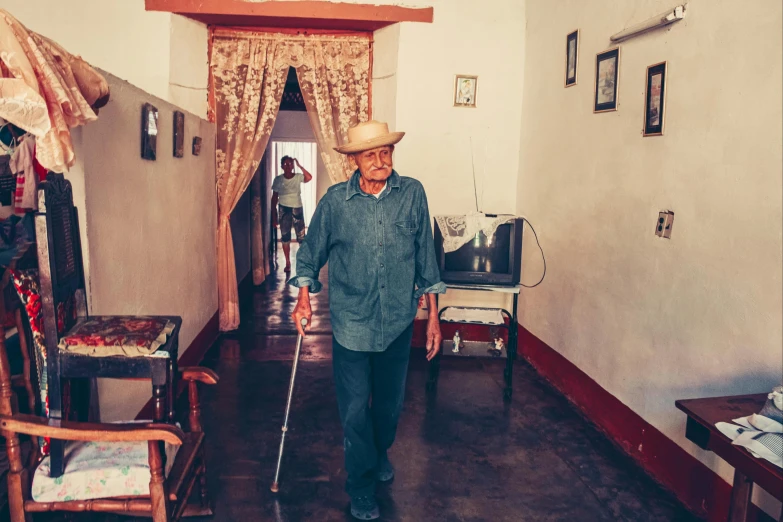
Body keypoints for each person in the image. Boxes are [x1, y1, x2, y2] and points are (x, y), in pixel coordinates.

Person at [288, 120, 445, 520]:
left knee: (389, 409)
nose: (380, 161)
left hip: (397, 320)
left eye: (385, 152)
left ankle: (378, 453)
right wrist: (303, 298)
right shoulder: (335, 203)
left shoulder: (412, 194)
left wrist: (433, 320)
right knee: (355, 410)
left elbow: (427, 260)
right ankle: (360, 487)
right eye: (370, 154)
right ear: (353, 161)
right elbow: (309, 255)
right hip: (352, 323)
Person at [271, 155, 313, 272]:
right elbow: (274, 199)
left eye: (290, 164)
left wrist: (300, 166)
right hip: (283, 209)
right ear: (281, 166)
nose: (288, 166)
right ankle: (288, 262)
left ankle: (303, 262)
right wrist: (274, 217)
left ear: (293, 166)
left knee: (301, 236)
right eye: (285, 164)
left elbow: (309, 177)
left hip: (297, 208)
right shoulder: (278, 179)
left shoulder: (298, 177)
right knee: (285, 236)